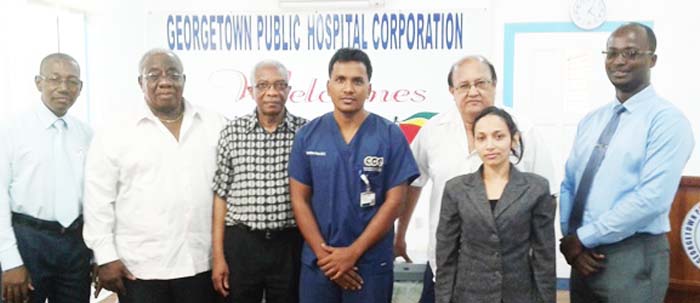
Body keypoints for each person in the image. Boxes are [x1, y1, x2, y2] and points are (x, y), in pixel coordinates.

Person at [394, 55, 556, 303]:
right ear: (452, 90)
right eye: (464, 85)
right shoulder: (432, 131)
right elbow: (413, 184)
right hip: (444, 265)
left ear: (494, 84)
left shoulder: (524, 131)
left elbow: (546, 197)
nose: (473, 92)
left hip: (512, 276)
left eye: (481, 83)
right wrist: (399, 235)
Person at [559, 22, 695, 303]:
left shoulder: (667, 121)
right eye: (612, 53)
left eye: (631, 53)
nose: (620, 61)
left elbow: (651, 199)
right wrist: (571, 239)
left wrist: (583, 238)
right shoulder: (591, 120)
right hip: (582, 258)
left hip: (632, 255)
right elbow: (569, 182)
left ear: (652, 60)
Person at [82, 48, 224, 303]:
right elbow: (97, 200)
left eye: (173, 74)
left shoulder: (215, 124)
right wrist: (105, 256)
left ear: (184, 79)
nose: (165, 81)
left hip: (202, 263)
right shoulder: (115, 130)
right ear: (140, 82)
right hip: (140, 268)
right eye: (153, 75)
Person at [288, 48, 419, 303]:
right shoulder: (307, 135)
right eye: (341, 80)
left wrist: (352, 253)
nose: (348, 88)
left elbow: (396, 203)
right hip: (319, 264)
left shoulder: (390, 135)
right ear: (328, 86)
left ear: (369, 88)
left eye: (357, 81)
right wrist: (326, 258)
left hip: (369, 264)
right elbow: (299, 200)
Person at [435, 106, 555, 303]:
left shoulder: (536, 188)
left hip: (520, 294)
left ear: (513, 139)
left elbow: (544, 256)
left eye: (498, 136)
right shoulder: (456, 189)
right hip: (468, 295)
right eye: (481, 138)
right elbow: (446, 256)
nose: (490, 145)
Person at [211, 60, 307, 302]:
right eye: (263, 85)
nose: (272, 92)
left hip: (289, 243)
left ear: (288, 89)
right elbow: (220, 197)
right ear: (251, 90)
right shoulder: (232, 132)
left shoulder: (305, 133)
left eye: (279, 85)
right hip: (242, 244)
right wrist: (218, 256)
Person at [0, 53, 93, 303]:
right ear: (38, 83)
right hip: (28, 241)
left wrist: (95, 254)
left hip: (75, 243)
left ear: (80, 87)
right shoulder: (10, 130)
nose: (64, 87)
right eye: (55, 79)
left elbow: (94, 196)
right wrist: (9, 261)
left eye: (72, 81)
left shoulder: (86, 133)